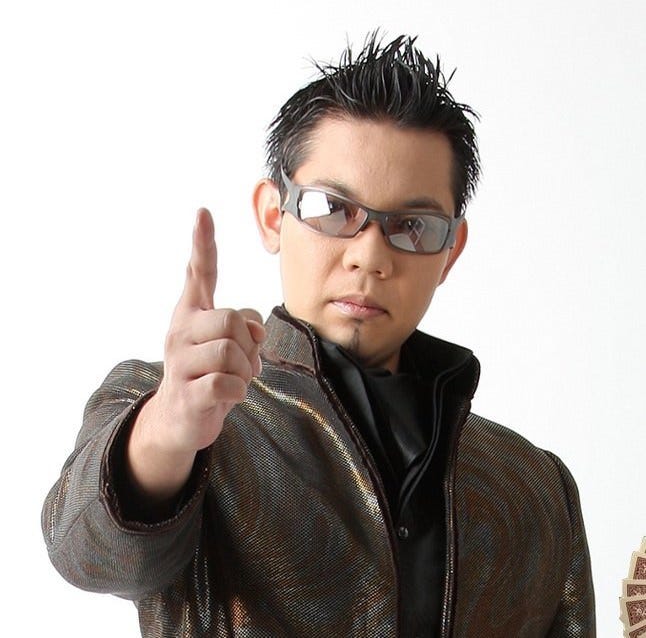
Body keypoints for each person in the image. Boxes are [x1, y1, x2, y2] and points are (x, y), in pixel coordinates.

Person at [42, 34, 596, 637]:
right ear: (272, 215)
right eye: (334, 209)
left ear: (451, 251)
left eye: (413, 226)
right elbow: (84, 552)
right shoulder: (179, 413)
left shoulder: (532, 485)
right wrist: (166, 432)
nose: (369, 256)